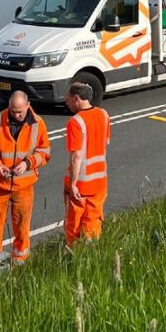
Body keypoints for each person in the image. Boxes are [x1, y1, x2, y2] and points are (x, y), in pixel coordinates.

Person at [0, 91, 51, 264]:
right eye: (13, 111)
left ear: (28, 106)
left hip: (24, 185)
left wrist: (27, 163)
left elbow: (44, 152)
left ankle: (20, 258)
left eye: (20, 111)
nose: (17, 115)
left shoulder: (38, 124)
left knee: (22, 225)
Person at [63, 82, 110, 247]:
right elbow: (105, 143)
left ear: (76, 99)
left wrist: (73, 183)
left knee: (73, 225)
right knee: (93, 221)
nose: (67, 103)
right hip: (100, 181)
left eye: (67, 100)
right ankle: (93, 254)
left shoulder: (75, 122)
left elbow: (76, 156)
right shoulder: (104, 115)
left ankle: (73, 257)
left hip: (82, 185)